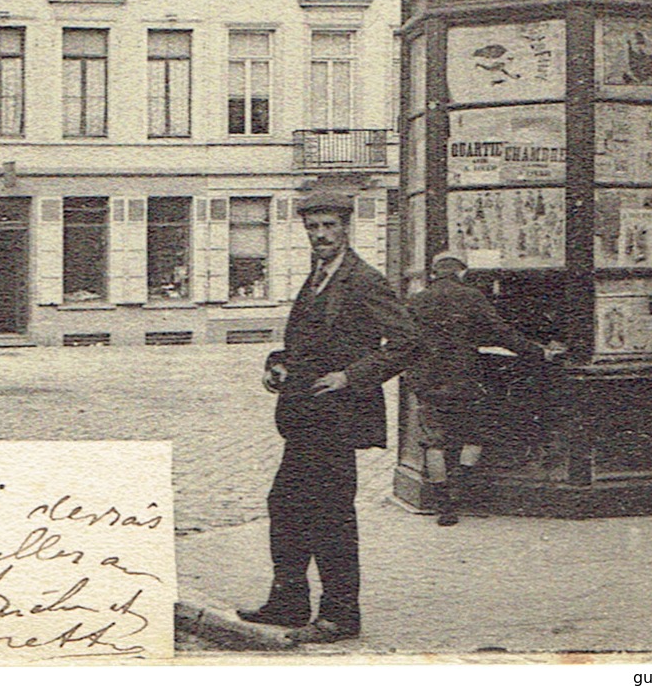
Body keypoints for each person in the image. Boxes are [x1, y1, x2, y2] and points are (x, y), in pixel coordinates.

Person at [239, 190, 419, 644]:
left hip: (337, 418)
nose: (320, 235)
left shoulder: (363, 279)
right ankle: (289, 602)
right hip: (305, 418)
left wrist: (350, 376)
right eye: (313, 227)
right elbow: (307, 342)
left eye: (329, 226)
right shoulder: (318, 276)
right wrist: (278, 361)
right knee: (285, 505)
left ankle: (341, 615)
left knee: (331, 515)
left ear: (345, 228)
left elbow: (407, 342)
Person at [407, 252, 564, 526]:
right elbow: (502, 333)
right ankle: (459, 494)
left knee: (434, 442)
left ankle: (444, 507)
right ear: (461, 272)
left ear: (434, 272)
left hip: (428, 380)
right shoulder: (471, 296)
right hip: (465, 378)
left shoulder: (417, 300)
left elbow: (403, 340)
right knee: (474, 436)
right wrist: (539, 352)